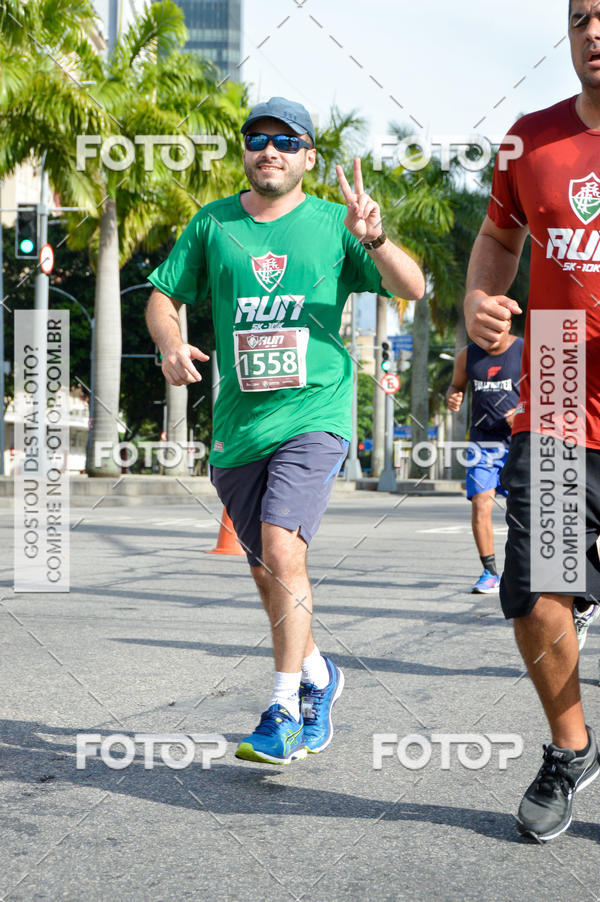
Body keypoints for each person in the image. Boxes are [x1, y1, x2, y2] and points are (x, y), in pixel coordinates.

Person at [145, 97, 425, 765]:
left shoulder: (336, 224)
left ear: (308, 157)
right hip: (238, 428)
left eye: (285, 140)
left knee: (281, 547)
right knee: (269, 567)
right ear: (245, 151)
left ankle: (283, 708)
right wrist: (170, 344)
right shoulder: (213, 223)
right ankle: (320, 674)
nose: (268, 149)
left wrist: (375, 238)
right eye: (256, 137)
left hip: (316, 417)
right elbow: (162, 295)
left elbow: (413, 288)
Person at [464, 1, 600, 842]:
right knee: (536, 594)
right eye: (584, 14)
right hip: (554, 384)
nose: (597, 30)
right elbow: (495, 240)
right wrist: (480, 301)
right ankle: (571, 747)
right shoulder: (530, 139)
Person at [446, 331, 523, 593]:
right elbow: (456, 386)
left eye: (495, 329)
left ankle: (527, 570)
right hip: (482, 441)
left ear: (507, 323)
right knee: (480, 502)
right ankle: (490, 572)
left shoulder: (525, 350)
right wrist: (453, 396)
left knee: (525, 509)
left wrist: (522, 411)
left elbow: (546, 391)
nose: (488, 336)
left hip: (520, 440)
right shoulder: (467, 355)